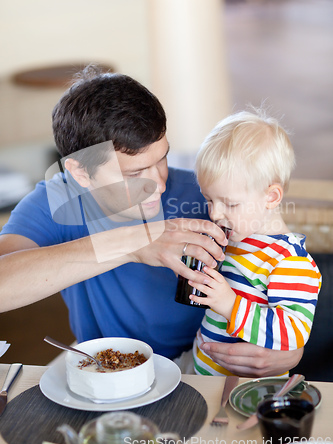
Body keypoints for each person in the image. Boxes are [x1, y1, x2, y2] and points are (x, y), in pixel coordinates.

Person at [0, 67, 303, 375]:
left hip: (199, 369)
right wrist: (136, 243)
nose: (158, 184)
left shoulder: (210, 198)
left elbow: (280, 272)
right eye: (134, 174)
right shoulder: (60, 198)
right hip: (101, 369)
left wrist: (290, 352)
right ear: (80, 174)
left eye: (162, 159)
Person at [186, 110, 321, 375]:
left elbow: (291, 334)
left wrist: (229, 304)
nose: (215, 213)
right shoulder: (238, 236)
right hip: (202, 370)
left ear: (271, 197)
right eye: (209, 199)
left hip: (245, 389)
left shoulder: (290, 262)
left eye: (230, 203)